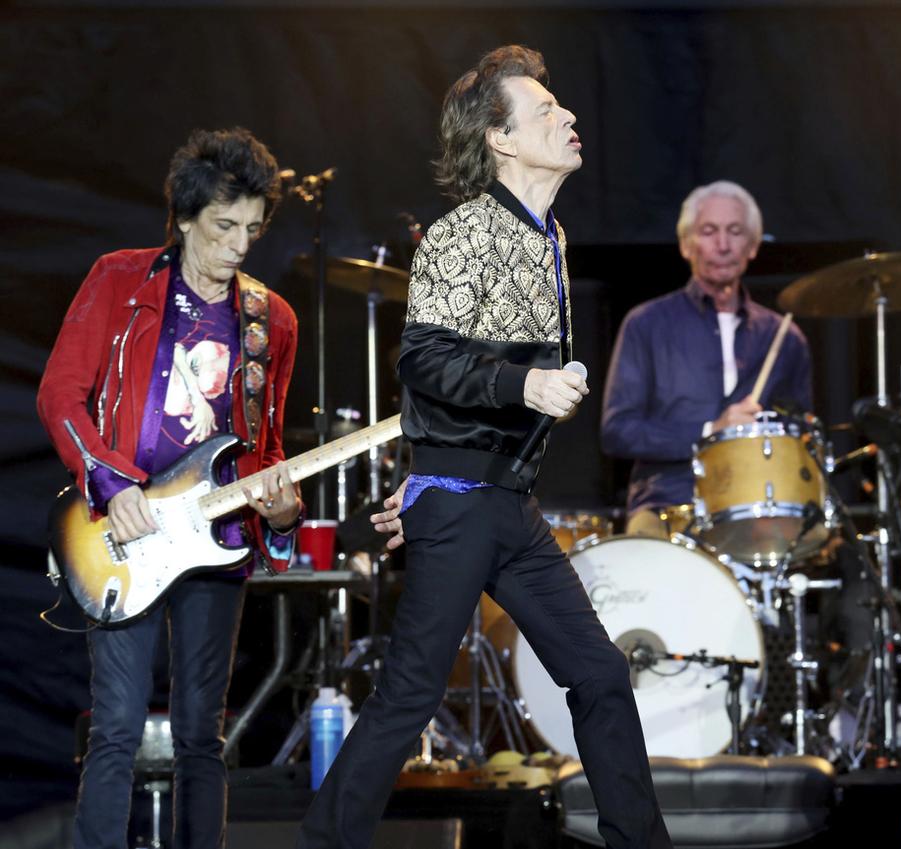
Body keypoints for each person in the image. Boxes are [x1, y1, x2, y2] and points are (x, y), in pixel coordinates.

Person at [298, 46, 671, 849]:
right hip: (463, 504)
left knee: (601, 672)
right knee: (410, 690)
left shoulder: (552, 239)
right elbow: (423, 360)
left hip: (508, 502)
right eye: (544, 111)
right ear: (500, 139)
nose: (568, 116)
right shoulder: (463, 233)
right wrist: (522, 389)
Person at [36, 127, 301, 849]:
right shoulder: (120, 280)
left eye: (252, 228)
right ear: (184, 218)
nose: (239, 245)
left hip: (216, 541)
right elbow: (61, 392)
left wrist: (280, 512)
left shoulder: (270, 321)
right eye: (223, 226)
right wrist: (110, 482)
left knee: (201, 736)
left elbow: (266, 447)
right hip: (124, 530)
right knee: (117, 728)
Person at [600, 180, 813, 536]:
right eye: (709, 231)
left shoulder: (785, 337)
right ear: (686, 245)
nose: (723, 245)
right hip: (667, 500)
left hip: (754, 501)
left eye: (735, 231)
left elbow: (801, 435)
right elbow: (617, 432)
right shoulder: (646, 324)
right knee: (645, 548)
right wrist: (709, 432)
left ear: (753, 246)